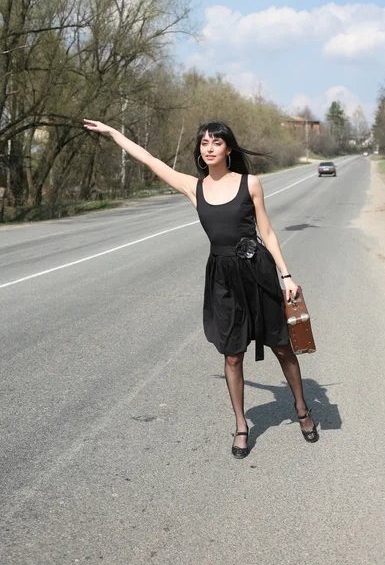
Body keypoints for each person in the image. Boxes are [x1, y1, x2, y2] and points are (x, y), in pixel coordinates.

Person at [83, 118, 319, 458]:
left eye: (216, 143)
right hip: (222, 278)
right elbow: (150, 160)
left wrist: (286, 276)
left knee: (282, 346)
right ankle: (241, 425)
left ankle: (302, 408)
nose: (208, 148)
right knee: (233, 355)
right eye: (204, 143)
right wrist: (114, 133)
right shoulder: (193, 188)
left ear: (229, 149)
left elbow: (266, 232)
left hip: (258, 271)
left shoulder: (249, 183)